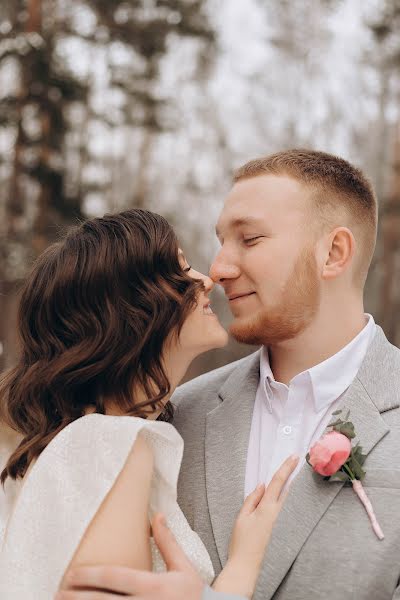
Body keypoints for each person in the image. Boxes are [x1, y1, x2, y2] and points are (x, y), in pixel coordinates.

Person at [61, 149, 400, 600]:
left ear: (333, 253)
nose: (218, 269)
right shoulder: (174, 416)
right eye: (221, 241)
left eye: (250, 239)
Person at [0, 208, 297, 600]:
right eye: (182, 271)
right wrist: (243, 565)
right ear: (130, 310)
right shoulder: (109, 444)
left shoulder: (73, 445)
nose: (206, 281)